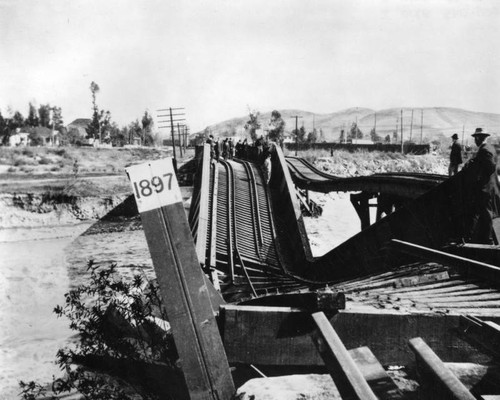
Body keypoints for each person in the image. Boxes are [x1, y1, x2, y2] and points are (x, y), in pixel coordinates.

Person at [463, 128, 500, 244]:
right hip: (489, 186)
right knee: (483, 211)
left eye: (475, 138)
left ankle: (487, 239)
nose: (475, 141)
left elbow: (490, 166)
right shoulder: (489, 148)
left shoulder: (484, 150)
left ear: (479, 138)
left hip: (485, 187)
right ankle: (479, 237)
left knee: (486, 213)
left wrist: (479, 175)